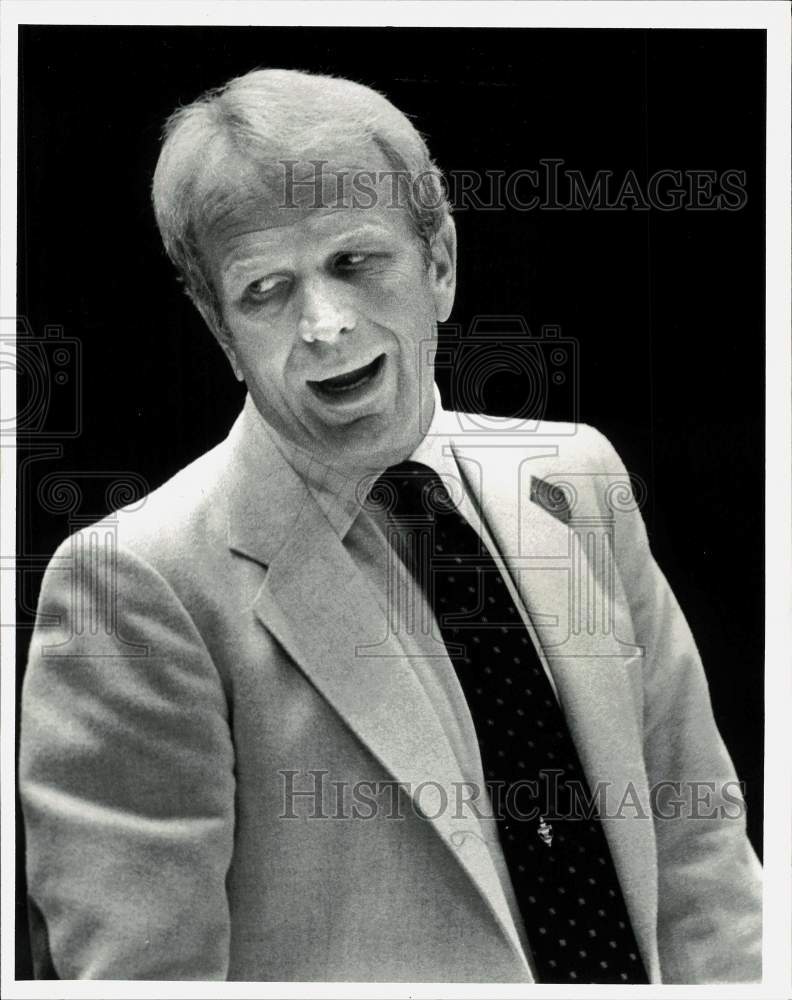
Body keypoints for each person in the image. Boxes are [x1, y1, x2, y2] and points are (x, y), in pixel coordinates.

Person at [19, 67, 762, 984]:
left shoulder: (576, 476)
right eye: (266, 290)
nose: (324, 325)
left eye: (354, 263)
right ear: (219, 329)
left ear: (440, 264)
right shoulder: (137, 582)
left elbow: (703, 860)